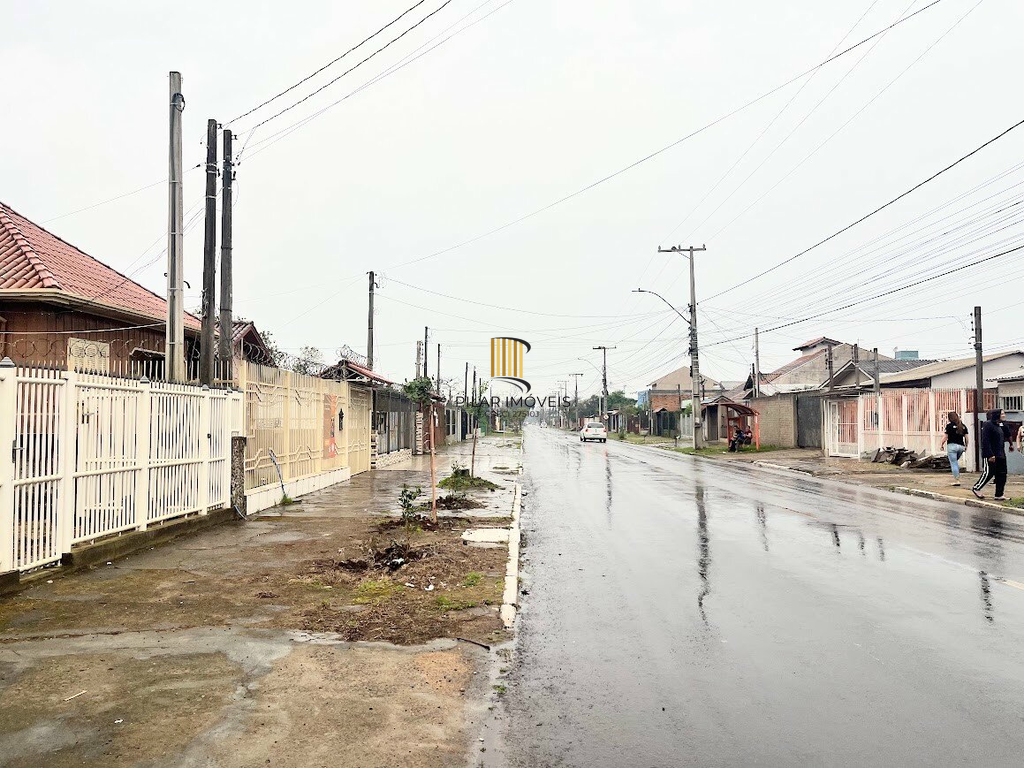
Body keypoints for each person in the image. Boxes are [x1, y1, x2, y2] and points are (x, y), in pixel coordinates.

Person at [973, 409, 1008, 500]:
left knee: (1002, 474)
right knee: (989, 473)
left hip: (1000, 454)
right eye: (1002, 414)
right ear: (997, 415)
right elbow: (985, 441)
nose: (1004, 415)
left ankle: (999, 494)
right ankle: (976, 487)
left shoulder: (999, 426)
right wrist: (990, 454)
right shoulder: (988, 424)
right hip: (991, 455)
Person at [938, 411, 968, 486]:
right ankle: (956, 475)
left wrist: (941, 445)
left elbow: (945, 437)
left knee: (954, 463)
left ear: (950, 418)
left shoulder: (949, 426)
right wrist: (966, 446)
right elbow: (967, 438)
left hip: (952, 446)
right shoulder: (963, 426)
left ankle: (957, 480)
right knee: (955, 461)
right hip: (961, 447)